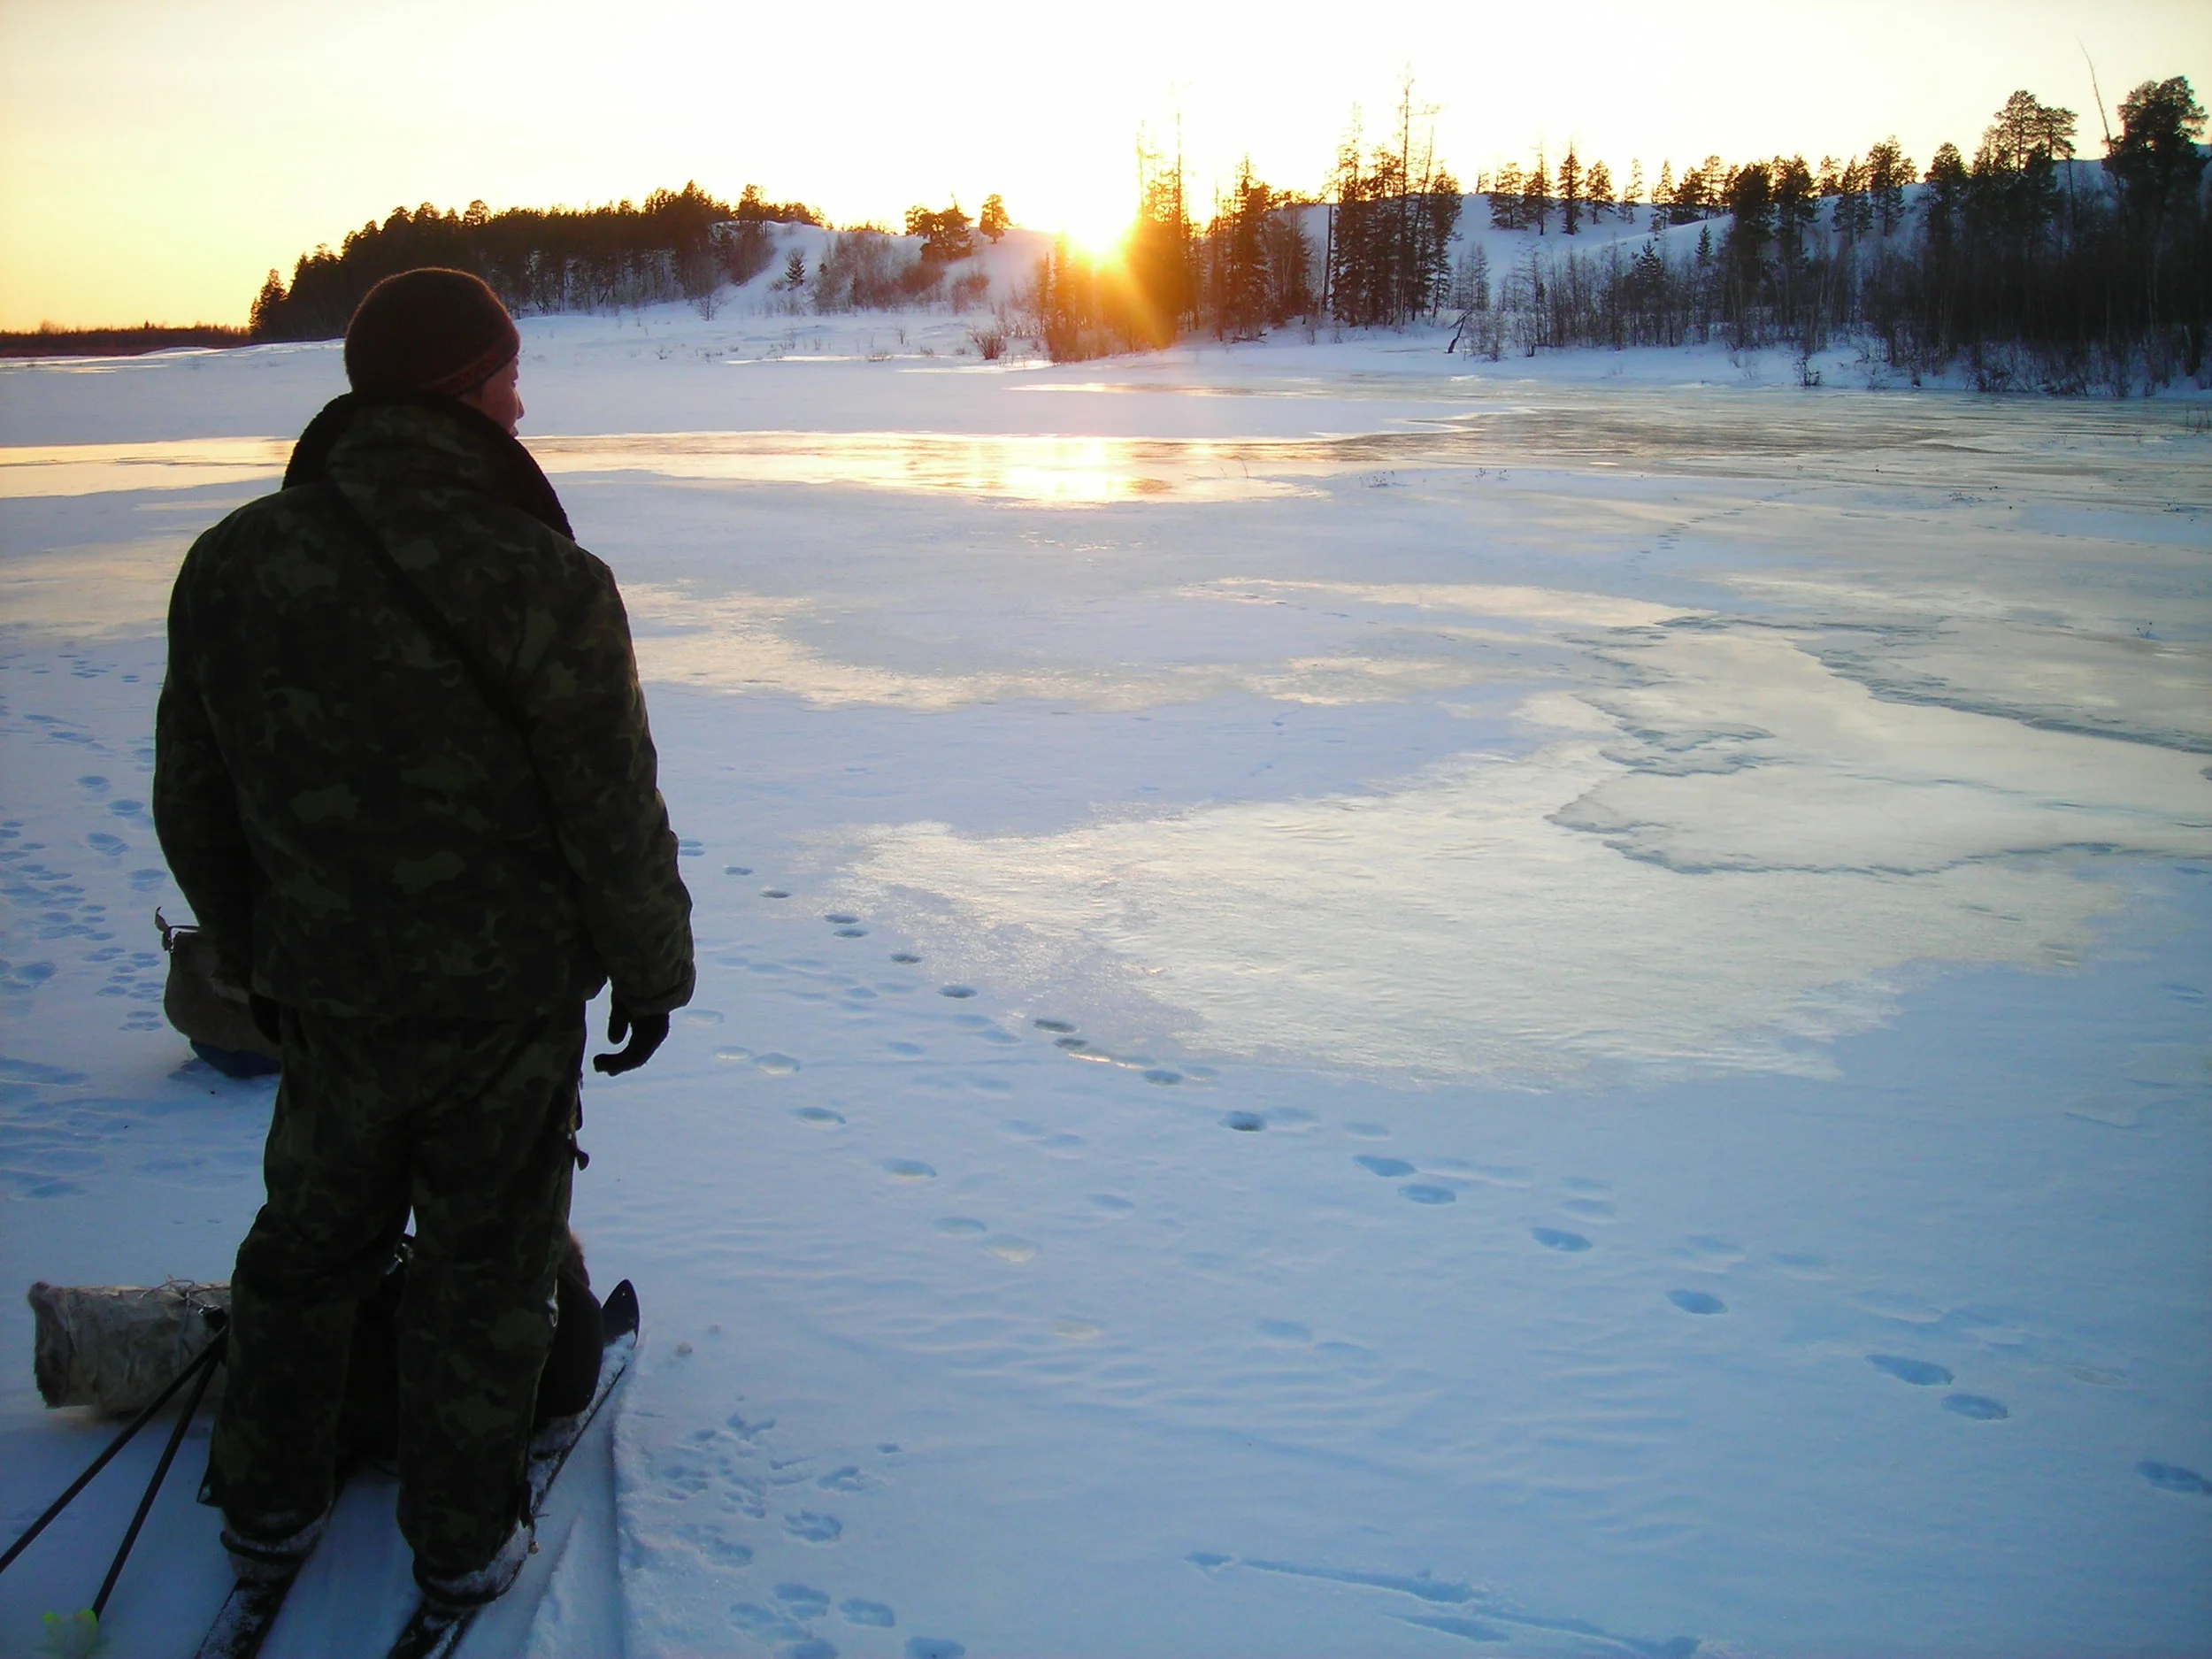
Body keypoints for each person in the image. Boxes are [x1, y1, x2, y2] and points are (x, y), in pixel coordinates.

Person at [153, 267, 694, 1610]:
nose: (524, 396)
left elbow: (192, 799)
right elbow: (610, 808)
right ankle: (462, 1541)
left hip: (326, 996)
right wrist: (653, 967)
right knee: (487, 1262)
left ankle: (267, 1507)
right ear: (463, 385)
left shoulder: (234, 561)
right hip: (502, 1014)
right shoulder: (544, 576)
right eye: (508, 371)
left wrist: (258, 948)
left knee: (305, 1250)